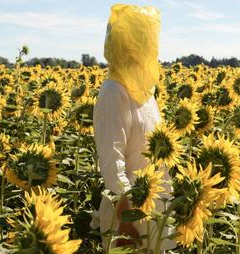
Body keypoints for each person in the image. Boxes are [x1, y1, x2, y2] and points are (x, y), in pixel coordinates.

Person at [92, 3, 175, 252]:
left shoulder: (146, 92)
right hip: (127, 213)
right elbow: (111, 160)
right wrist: (126, 222)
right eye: (138, 40)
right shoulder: (113, 91)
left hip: (154, 208)